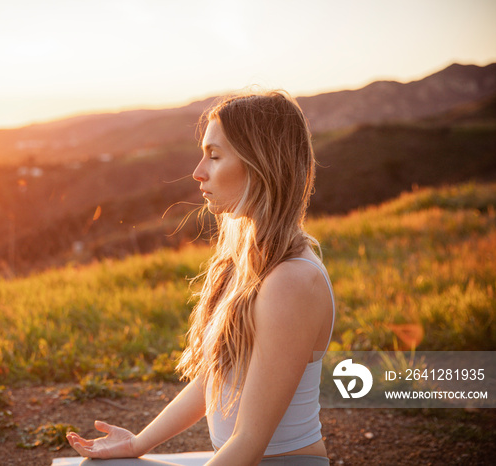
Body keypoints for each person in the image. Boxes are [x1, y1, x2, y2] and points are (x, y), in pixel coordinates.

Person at [66, 91, 335, 466]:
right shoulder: (249, 264)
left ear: (260, 165)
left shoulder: (291, 282)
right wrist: (137, 444)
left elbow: (250, 442)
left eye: (214, 155)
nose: (198, 171)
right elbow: (216, 378)